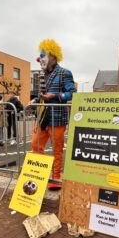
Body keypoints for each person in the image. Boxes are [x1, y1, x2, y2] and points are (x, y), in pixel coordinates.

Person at [30, 39, 76, 189]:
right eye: (40, 54)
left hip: (57, 119)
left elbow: (72, 93)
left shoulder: (64, 73)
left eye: (43, 54)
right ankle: (41, 174)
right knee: (35, 145)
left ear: (53, 56)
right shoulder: (42, 74)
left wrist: (56, 96)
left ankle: (56, 178)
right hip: (43, 117)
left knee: (57, 150)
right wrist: (35, 100)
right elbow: (42, 94)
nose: (40, 58)